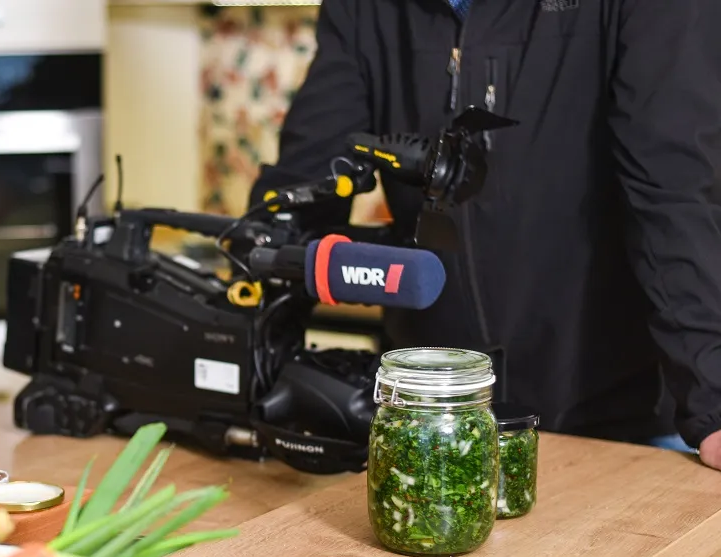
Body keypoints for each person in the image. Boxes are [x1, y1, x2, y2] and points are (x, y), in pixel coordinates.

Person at [250, 0, 721, 467]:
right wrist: (243, 358)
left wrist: (715, 402)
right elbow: (304, 189)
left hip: (621, 427)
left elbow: (677, 194)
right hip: (431, 418)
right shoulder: (363, 10)